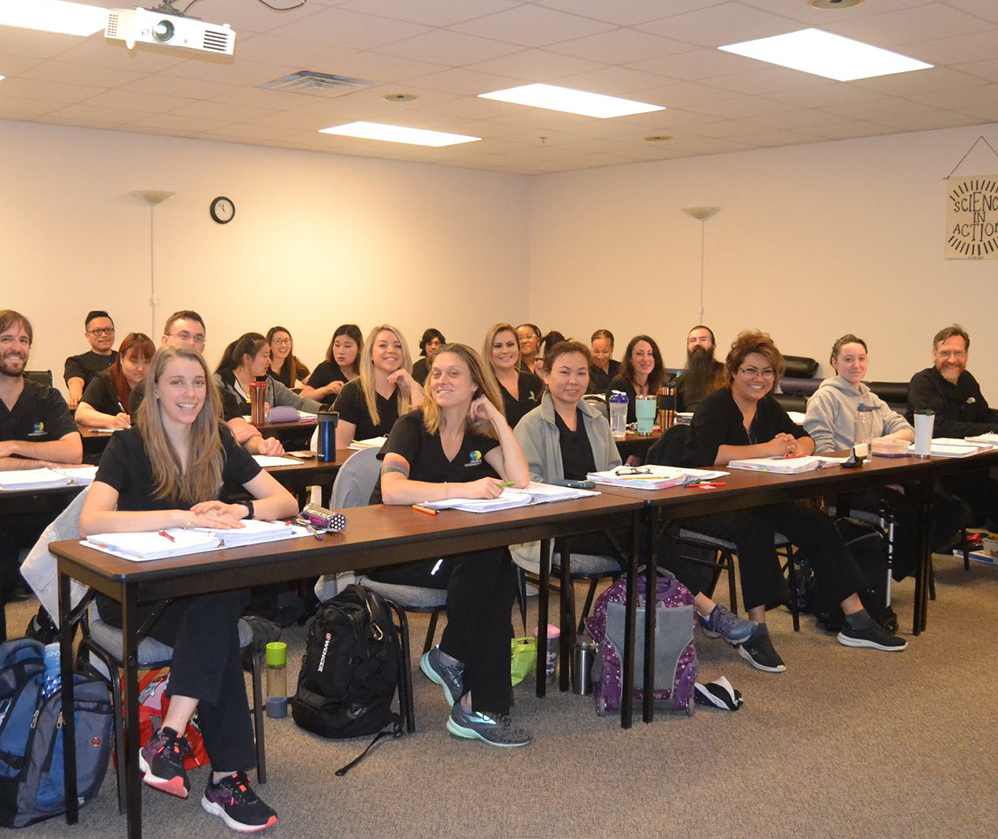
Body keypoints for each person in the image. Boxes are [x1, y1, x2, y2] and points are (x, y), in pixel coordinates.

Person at [79, 343, 297, 831]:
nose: (190, 393)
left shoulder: (216, 438)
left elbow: (285, 502)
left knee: (217, 601)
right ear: (155, 389)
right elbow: (91, 521)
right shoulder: (128, 444)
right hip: (138, 594)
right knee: (219, 616)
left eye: (198, 383)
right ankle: (225, 780)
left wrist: (239, 509)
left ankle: (171, 738)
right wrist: (180, 516)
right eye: (177, 382)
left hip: (199, 594)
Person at [681, 330, 907, 672]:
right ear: (734, 372)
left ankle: (857, 619)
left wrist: (795, 447)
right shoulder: (715, 406)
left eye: (767, 372)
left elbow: (807, 439)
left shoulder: (768, 407)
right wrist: (769, 448)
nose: (760, 379)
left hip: (758, 498)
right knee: (753, 528)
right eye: (751, 370)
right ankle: (756, 631)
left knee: (817, 524)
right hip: (709, 502)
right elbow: (708, 454)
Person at [515, 340, 754, 645]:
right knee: (644, 535)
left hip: (602, 516)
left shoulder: (596, 421)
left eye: (581, 373)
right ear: (546, 375)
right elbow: (529, 486)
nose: (574, 381)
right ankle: (706, 609)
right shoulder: (530, 425)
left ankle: (674, 616)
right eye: (564, 372)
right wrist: (579, 489)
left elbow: (614, 473)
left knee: (659, 528)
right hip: (559, 525)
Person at [371, 343, 532, 747]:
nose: (441, 380)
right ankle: (472, 696)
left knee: (495, 564)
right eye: (436, 373)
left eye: (453, 373)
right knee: (491, 564)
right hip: (397, 553)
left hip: (452, 557)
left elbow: (520, 479)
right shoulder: (411, 425)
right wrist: (462, 489)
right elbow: (392, 490)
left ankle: (462, 677)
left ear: (476, 384)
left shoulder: (478, 434)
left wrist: (497, 417)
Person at [803, 334, 933, 580]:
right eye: (848, 359)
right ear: (835, 362)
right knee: (910, 511)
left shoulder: (870, 397)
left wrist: (873, 445)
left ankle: (891, 569)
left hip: (874, 477)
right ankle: (883, 573)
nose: (856, 365)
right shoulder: (825, 397)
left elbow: (907, 430)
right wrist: (865, 456)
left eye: (861, 359)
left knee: (933, 504)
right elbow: (823, 451)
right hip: (844, 485)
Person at [0, 310, 83, 640]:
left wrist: (12, 448)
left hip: (46, 510)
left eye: (23, 340)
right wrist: (46, 459)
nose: (16, 347)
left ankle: (44, 632)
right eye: (6, 339)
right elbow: (60, 456)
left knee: (83, 555)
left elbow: (73, 452)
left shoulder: (46, 396)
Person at [131, 311, 285, 457]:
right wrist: (224, 438)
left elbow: (245, 433)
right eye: (184, 336)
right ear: (165, 341)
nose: (191, 343)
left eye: (198, 338)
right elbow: (152, 442)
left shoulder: (220, 394)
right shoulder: (145, 391)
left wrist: (263, 445)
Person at [906, 323, 998, 527]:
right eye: (945, 353)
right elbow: (939, 427)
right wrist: (992, 430)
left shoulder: (967, 380)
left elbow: (984, 416)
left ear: (966, 356)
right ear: (934, 354)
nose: (952, 360)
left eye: (958, 353)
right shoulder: (923, 382)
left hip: (970, 465)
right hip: (938, 471)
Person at [332, 324, 423, 448]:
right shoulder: (351, 392)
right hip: (363, 460)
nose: (391, 350)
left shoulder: (413, 389)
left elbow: (425, 436)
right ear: (370, 354)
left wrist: (413, 386)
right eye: (383, 345)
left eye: (397, 346)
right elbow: (340, 449)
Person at [215, 332, 323, 416]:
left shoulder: (269, 383)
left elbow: (299, 403)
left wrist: (327, 410)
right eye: (265, 356)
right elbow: (217, 411)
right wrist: (250, 408)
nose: (269, 361)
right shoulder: (220, 382)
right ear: (247, 358)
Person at [75, 332, 155, 429]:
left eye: (147, 362)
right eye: (134, 362)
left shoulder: (158, 381)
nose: (140, 368)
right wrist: (112, 421)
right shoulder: (106, 379)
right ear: (121, 358)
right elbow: (81, 414)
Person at [483, 323, 542, 429]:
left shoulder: (534, 382)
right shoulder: (483, 387)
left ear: (518, 348)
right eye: (498, 346)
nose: (505, 351)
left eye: (510, 344)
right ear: (489, 351)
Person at [64, 310, 118, 409]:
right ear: (87, 336)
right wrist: (76, 396)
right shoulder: (76, 362)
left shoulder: (123, 359)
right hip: (93, 413)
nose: (104, 335)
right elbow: (75, 382)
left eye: (108, 330)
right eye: (97, 331)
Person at [608, 335, 667, 424]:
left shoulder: (660, 385)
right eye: (639, 354)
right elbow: (616, 422)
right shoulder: (619, 385)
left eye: (650, 354)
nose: (646, 359)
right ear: (630, 359)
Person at [299, 324, 362, 405]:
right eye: (337, 345)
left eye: (347, 346)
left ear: (359, 349)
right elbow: (302, 398)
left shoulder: (367, 370)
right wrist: (326, 390)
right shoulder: (324, 368)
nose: (341, 351)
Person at [676, 325, 727, 412]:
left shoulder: (726, 376)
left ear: (714, 347)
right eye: (693, 340)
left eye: (703, 339)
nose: (698, 343)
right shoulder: (680, 382)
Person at [587, 328, 620, 395]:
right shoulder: (585, 370)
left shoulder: (620, 368)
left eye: (605, 352)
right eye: (596, 351)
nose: (600, 356)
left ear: (612, 349)